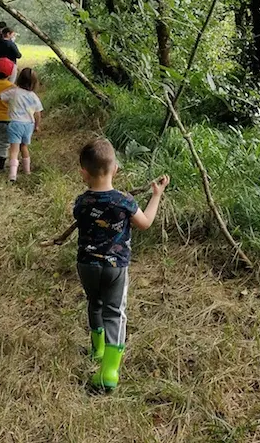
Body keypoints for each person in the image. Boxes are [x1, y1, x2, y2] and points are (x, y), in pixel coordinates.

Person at [74, 139, 170, 391]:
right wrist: (156, 196)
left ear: (83, 172)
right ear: (115, 168)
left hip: (86, 265)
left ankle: (98, 350)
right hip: (116, 267)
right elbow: (145, 223)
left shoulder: (81, 202)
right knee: (115, 312)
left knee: (94, 304)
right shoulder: (125, 201)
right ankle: (109, 372)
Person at [0, 68, 43, 181]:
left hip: (15, 123)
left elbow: (1, 96)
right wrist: (37, 126)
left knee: (14, 149)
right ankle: (27, 171)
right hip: (29, 125)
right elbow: (38, 113)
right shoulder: (34, 96)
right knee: (24, 147)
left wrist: (11, 86)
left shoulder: (14, 92)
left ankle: (12, 174)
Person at [0, 58, 17, 171]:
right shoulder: (12, 87)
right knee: (4, 143)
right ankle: (0, 165)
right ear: (10, 73)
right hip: (7, 119)